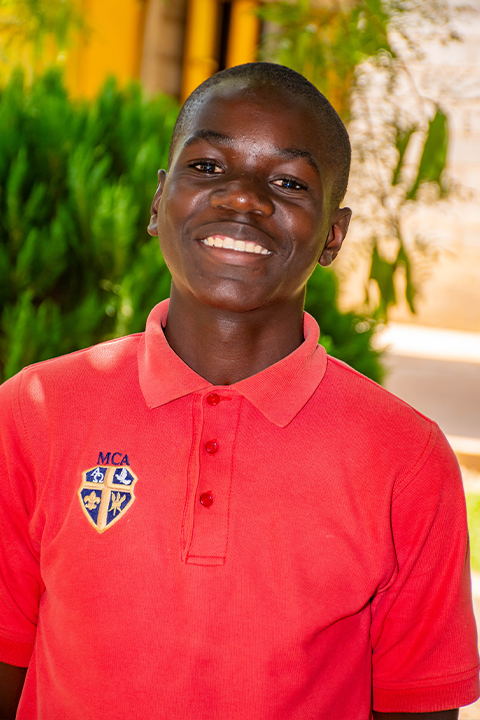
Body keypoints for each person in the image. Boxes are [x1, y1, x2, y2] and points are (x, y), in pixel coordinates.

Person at [0, 62, 478, 720]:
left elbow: (418, 702)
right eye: (207, 167)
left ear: (333, 234)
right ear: (158, 201)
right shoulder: (34, 412)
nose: (244, 198)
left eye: (288, 182)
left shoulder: (405, 457)